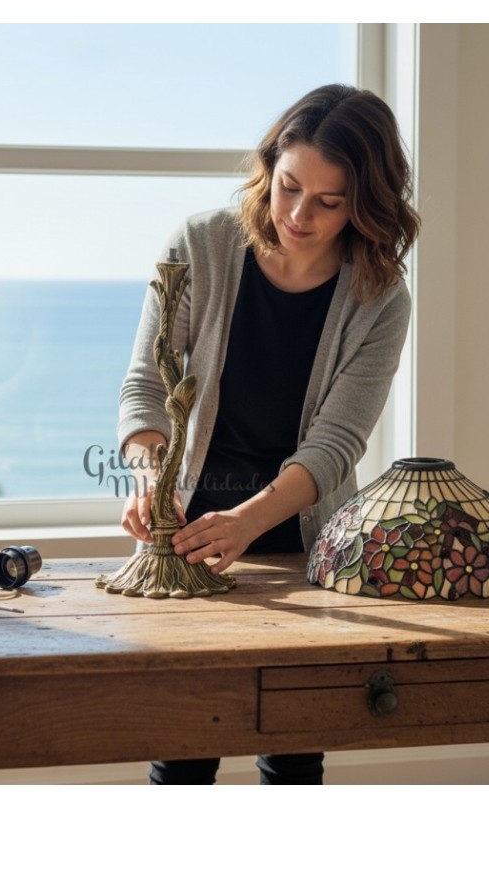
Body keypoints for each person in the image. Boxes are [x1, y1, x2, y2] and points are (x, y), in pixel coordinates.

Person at [117, 83, 420, 784]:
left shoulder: (381, 298)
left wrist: (249, 521)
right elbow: (146, 386)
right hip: (187, 540)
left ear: (366, 205)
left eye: (328, 201)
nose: (298, 215)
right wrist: (150, 480)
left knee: (292, 757)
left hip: (304, 548)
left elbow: (335, 443)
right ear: (268, 169)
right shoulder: (201, 245)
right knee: (183, 754)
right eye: (289, 187)